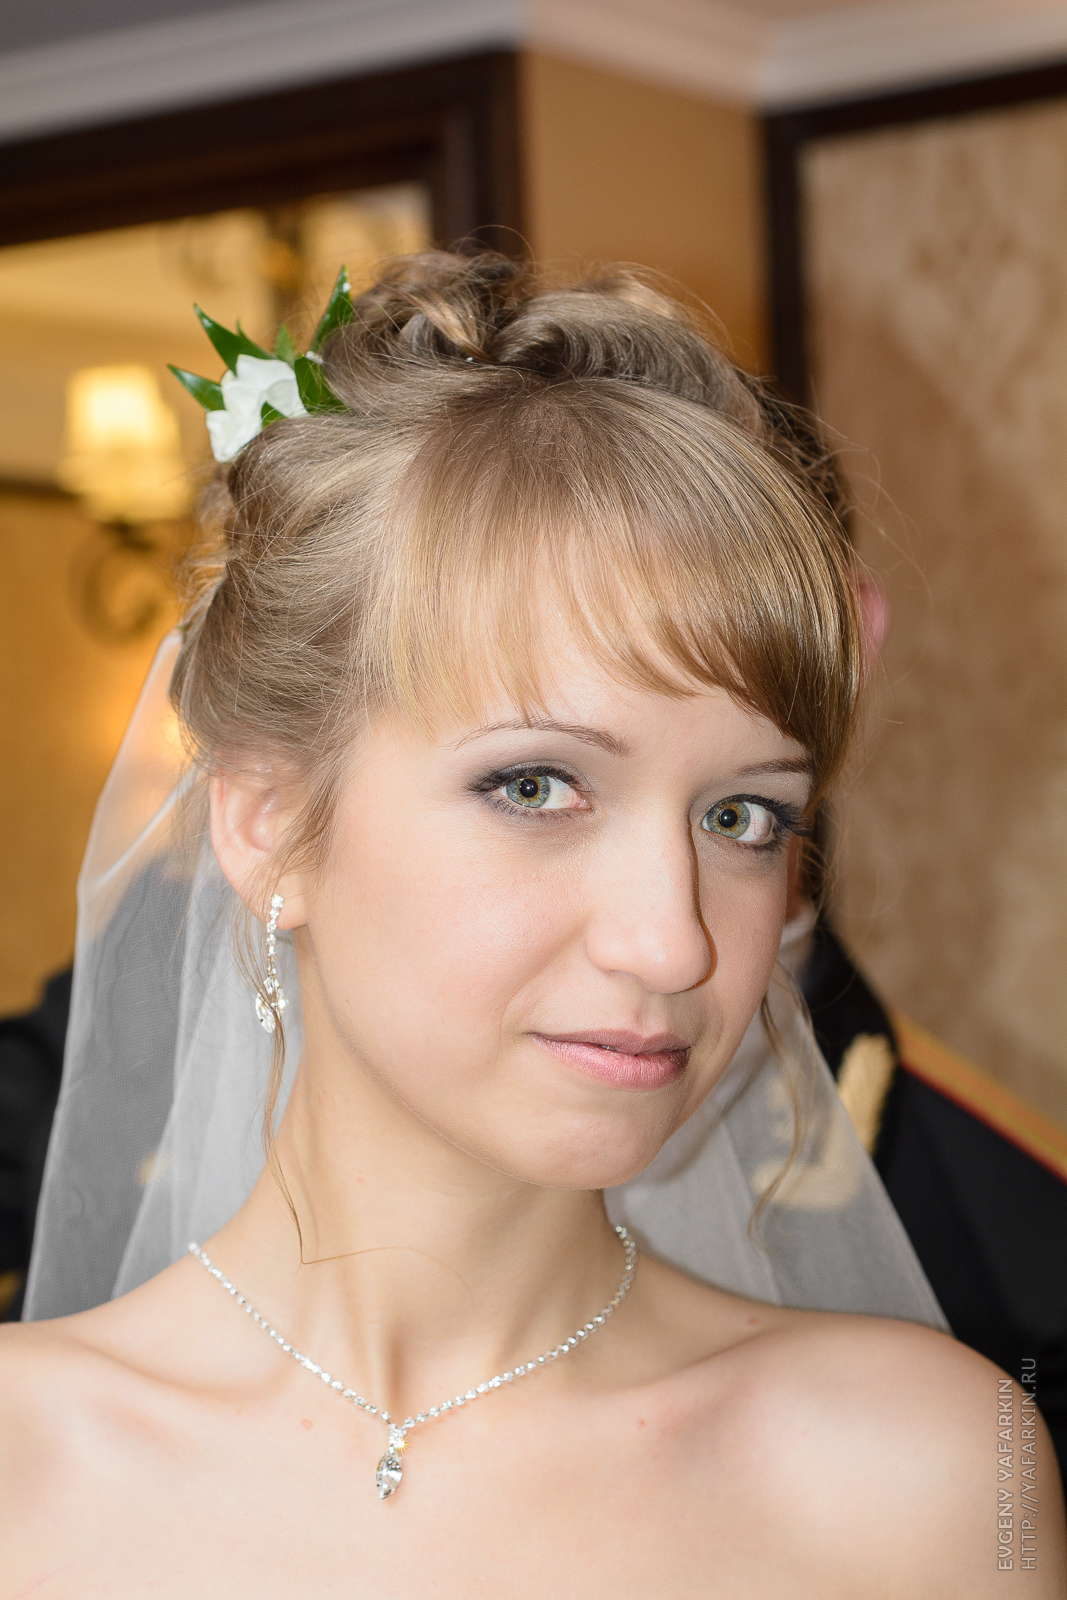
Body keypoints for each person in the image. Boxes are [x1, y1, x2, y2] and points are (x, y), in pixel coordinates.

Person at [1, 253, 1063, 1595]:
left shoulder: (928, 1478)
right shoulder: (27, 1469)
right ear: (266, 817)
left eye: (743, 816)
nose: (673, 945)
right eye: (536, 786)